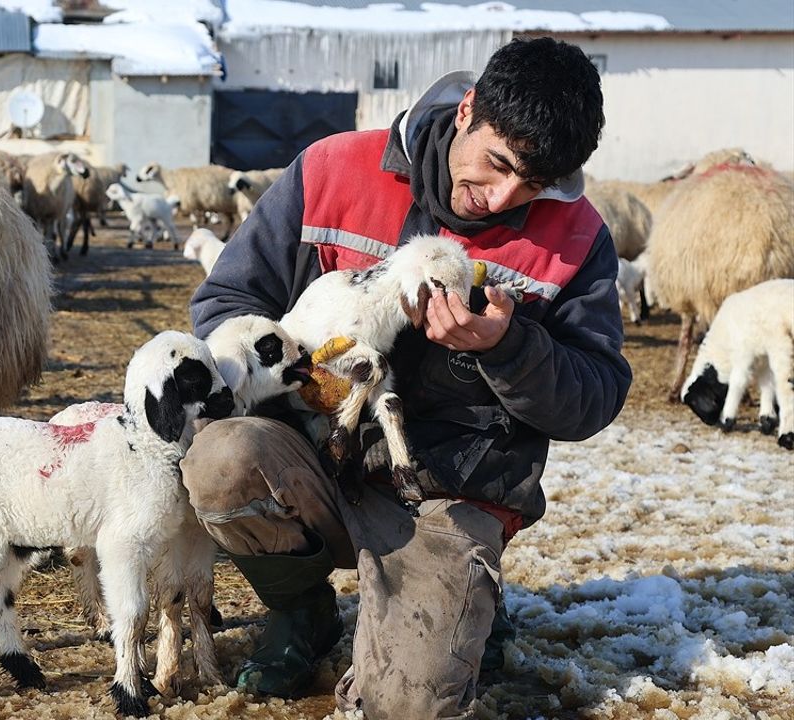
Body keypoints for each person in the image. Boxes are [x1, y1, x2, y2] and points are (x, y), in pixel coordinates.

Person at [183, 37, 632, 718]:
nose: (502, 197)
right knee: (221, 457)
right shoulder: (333, 171)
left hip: (447, 490)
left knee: (411, 705)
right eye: (498, 164)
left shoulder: (576, 239)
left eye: (531, 186)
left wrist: (508, 347)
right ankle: (300, 610)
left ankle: (465, 590)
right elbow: (224, 307)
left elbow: (594, 396)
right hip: (311, 453)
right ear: (468, 110)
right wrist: (317, 383)